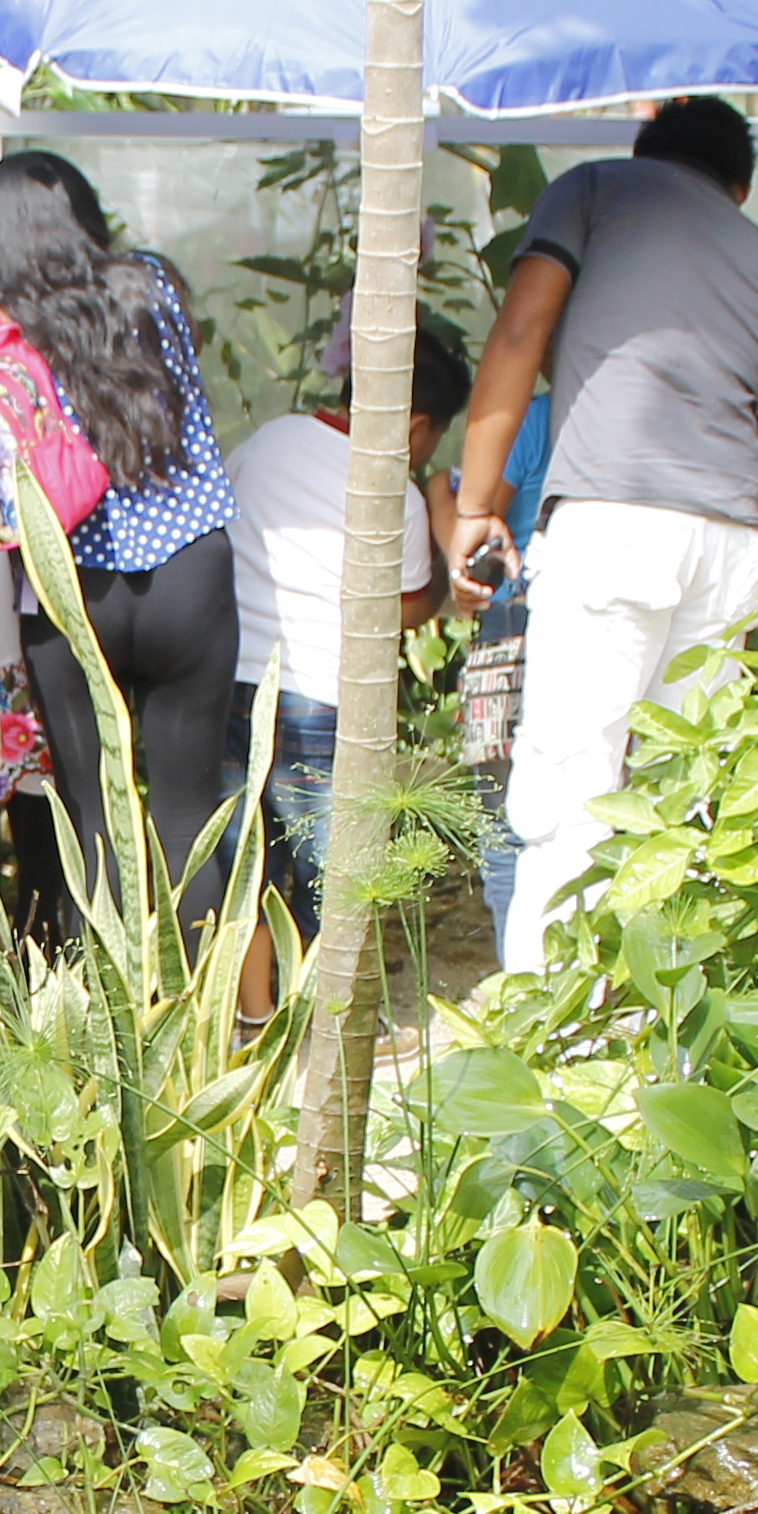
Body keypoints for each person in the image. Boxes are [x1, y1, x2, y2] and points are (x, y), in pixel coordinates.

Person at [450, 94, 758, 973]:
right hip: (732, 544)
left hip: (609, 524)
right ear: (737, 185)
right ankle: (654, 1049)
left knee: (568, 801)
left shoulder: (593, 191)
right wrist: (725, 519)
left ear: (645, 149)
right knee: (682, 808)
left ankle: (552, 1059)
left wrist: (474, 506)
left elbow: (521, 327)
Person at [0, 150, 242, 931]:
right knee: (189, 812)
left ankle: (107, 1038)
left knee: (92, 819)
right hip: (189, 565)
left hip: (74, 575)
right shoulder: (148, 283)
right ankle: (203, 1033)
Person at [223, 315, 467, 1007]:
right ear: (416, 425)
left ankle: (251, 1013)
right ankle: (325, 1017)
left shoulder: (270, 440)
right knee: (333, 873)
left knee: (249, 862)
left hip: (236, 680)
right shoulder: (396, 492)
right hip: (321, 700)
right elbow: (410, 604)